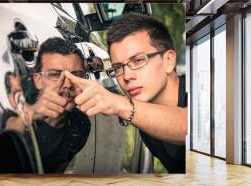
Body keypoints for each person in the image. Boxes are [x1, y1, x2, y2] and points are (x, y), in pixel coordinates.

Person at [64, 13, 187, 173]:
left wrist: (123, 105)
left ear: (168, 61)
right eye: (118, 68)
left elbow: (188, 126)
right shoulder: (144, 110)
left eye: (138, 60)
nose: (127, 76)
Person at [5, 37, 91, 173]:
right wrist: (30, 114)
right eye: (56, 75)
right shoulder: (15, 107)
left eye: (76, 75)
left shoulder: (81, 124)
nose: (67, 84)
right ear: (38, 81)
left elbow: (59, 168)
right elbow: (3, 139)